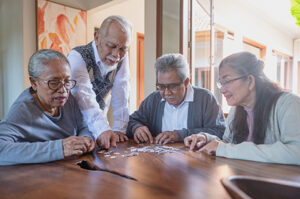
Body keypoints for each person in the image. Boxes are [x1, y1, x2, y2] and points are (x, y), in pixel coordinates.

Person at [184, 51, 300, 165]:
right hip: (242, 178)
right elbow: (229, 143)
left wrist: (224, 149)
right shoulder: (237, 109)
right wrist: (206, 139)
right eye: (221, 83)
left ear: (250, 81)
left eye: (227, 81)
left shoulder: (288, 103)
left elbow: (296, 152)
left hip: (275, 182)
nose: (222, 89)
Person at [0, 49, 95, 165]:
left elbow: (83, 126)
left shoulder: (68, 99)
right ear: (34, 83)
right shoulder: (22, 110)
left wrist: (85, 140)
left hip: (69, 168)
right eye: (54, 82)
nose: (63, 90)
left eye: (67, 81)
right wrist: (59, 148)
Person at [127, 53, 225, 144]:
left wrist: (179, 135)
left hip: (196, 159)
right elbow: (132, 121)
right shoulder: (153, 100)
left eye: (173, 87)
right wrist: (137, 127)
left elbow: (219, 131)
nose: (167, 93)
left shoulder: (206, 99)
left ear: (186, 82)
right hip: (158, 159)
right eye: (161, 87)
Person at [67, 15, 132, 149]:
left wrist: (119, 128)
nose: (116, 55)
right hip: (72, 125)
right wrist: (102, 128)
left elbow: (122, 93)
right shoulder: (77, 56)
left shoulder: (122, 59)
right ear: (97, 38)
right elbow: (83, 95)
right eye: (111, 46)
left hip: (98, 124)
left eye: (123, 49)